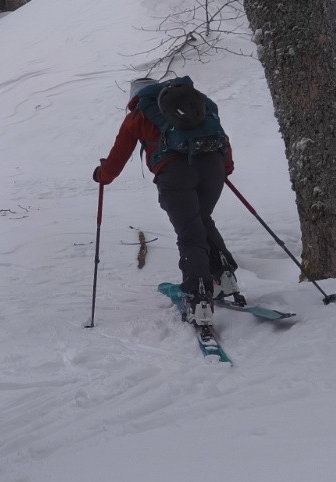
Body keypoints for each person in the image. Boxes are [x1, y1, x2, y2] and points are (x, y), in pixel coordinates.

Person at [93, 76, 240, 324]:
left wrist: (102, 176)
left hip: (175, 174)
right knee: (201, 219)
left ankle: (198, 298)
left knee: (190, 232)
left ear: (135, 96)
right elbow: (220, 137)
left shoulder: (138, 115)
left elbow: (117, 158)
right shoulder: (198, 102)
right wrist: (224, 167)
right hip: (212, 168)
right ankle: (224, 275)